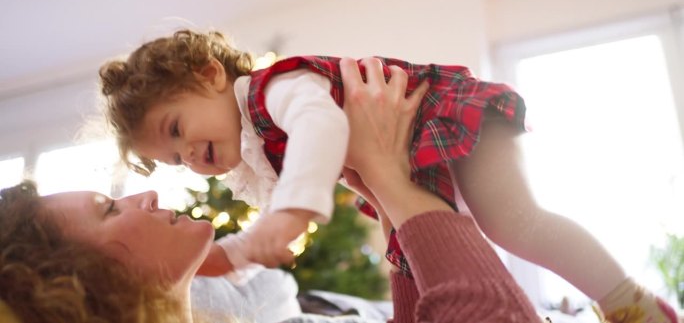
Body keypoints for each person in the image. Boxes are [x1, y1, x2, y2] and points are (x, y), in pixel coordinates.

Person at [98, 29, 678, 323]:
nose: (189, 158)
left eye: (176, 129)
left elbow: (322, 128)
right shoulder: (259, 150)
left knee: (514, 223)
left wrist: (294, 213)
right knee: (408, 265)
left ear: (210, 76)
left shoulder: (274, 91)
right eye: (174, 161)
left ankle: (633, 302)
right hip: (413, 164)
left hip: (444, 114)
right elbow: (276, 218)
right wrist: (241, 254)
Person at [1, 58, 546, 322]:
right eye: (107, 211)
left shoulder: (273, 96)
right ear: (86, 284)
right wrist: (390, 182)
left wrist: (391, 208)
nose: (147, 195)